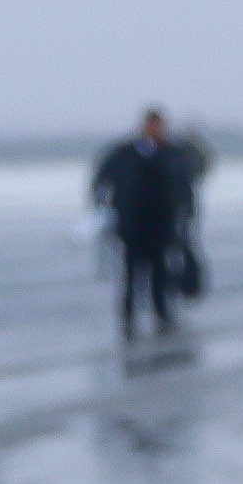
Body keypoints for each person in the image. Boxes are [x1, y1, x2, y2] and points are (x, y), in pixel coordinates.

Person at [91, 106, 190, 338]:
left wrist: (183, 216)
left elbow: (186, 184)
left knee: (159, 271)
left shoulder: (173, 153)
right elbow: (101, 179)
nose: (155, 130)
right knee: (131, 273)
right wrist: (104, 210)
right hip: (131, 224)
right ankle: (128, 316)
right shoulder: (124, 153)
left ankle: (161, 313)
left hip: (162, 223)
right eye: (151, 125)